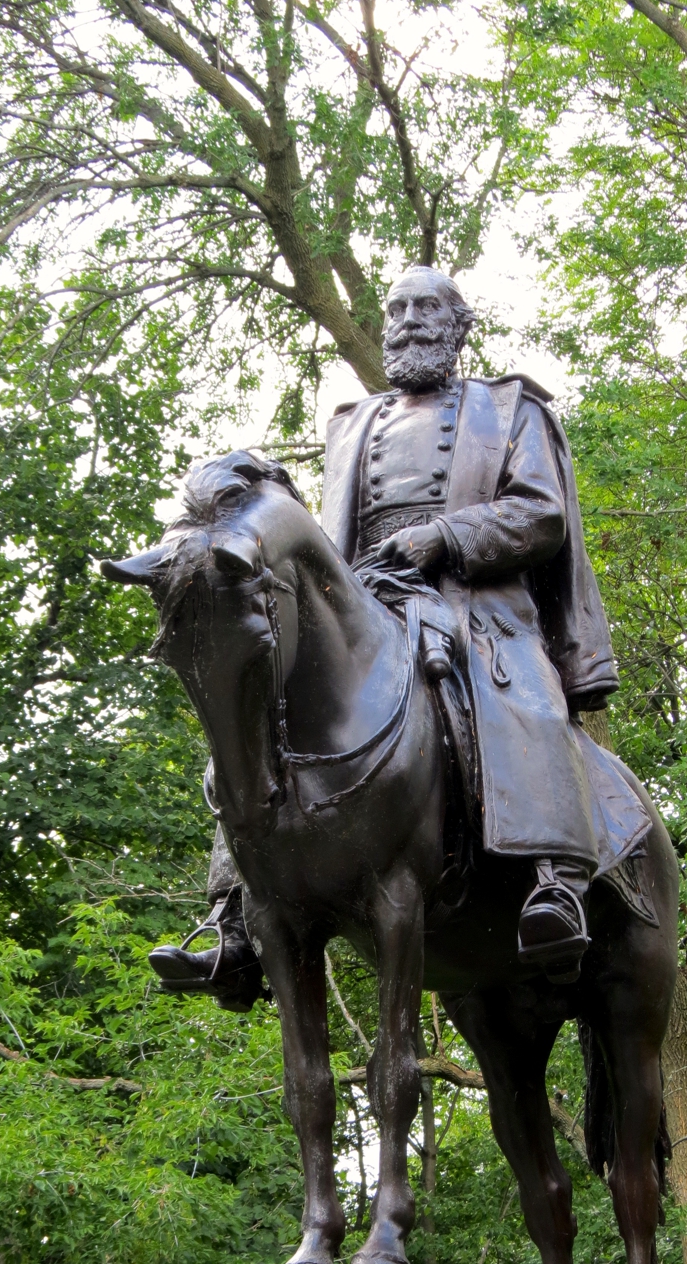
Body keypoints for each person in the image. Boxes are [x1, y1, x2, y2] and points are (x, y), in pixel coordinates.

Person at [150, 265, 622, 1001]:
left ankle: (553, 882)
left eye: (427, 308)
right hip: (364, 600)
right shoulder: (351, 424)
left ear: (459, 326)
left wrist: (443, 536)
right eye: (397, 309)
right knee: (261, 712)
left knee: (518, 692)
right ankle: (231, 920)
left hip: (473, 598)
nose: (408, 321)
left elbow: (541, 512)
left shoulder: (512, 409)